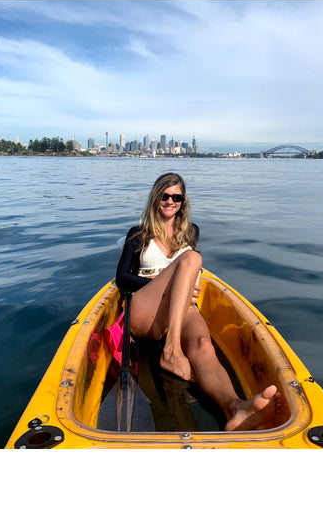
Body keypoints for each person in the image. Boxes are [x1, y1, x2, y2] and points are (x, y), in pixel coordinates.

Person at [115, 172, 282, 431]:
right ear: (155, 197)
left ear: (183, 201)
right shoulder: (138, 233)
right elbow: (122, 279)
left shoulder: (191, 231)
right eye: (165, 196)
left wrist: (187, 286)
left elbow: (190, 275)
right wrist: (166, 288)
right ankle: (171, 351)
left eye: (177, 197)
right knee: (192, 258)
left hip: (183, 309)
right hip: (146, 311)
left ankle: (235, 408)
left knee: (204, 345)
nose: (170, 201)